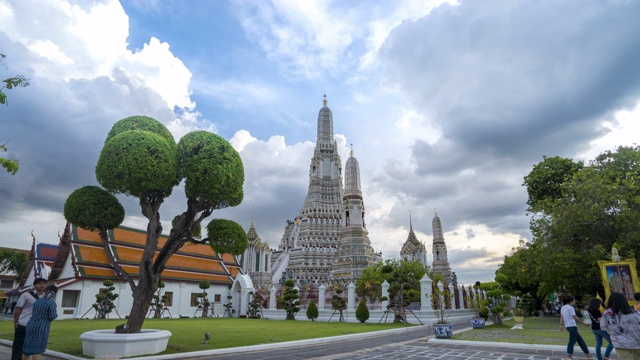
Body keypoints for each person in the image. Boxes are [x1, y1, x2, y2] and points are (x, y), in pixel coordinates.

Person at [11, 278, 47, 360]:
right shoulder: (26, 295)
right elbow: (18, 308)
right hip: (23, 323)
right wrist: (16, 322)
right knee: (19, 344)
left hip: (36, 326)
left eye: (44, 284)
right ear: (34, 285)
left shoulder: (46, 297)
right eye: (39, 283)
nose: (42, 285)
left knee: (33, 345)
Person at [22, 285, 58, 360]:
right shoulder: (51, 303)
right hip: (41, 327)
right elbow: (52, 316)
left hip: (30, 325)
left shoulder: (37, 301)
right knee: (37, 349)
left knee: (27, 348)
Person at [601, 292, 640, 359]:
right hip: (636, 341)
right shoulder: (634, 311)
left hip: (619, 343)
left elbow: (603, 326)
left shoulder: (607, 313)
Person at [560, 295, 593, 360]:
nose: (575, 302)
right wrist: (584, 323)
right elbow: (575, 317)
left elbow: (561, 317)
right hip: (572, 326)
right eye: (574, 300)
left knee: (580, 341)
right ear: (571, 301)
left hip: (568, 326)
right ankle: (568, 355)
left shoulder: (563, 308)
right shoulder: (571, 308)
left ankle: (588, 355)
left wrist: (561, 325)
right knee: (572, 341)